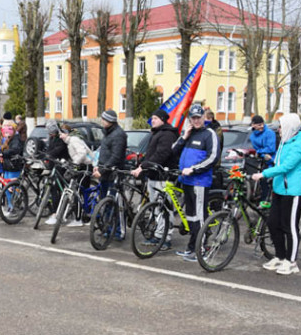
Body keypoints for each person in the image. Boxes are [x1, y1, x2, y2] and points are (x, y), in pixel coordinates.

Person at [252, 113, 301, 275]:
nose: (279, 130)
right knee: (273, 223)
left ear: (290, 128)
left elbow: (286, 166)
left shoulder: (299, 144)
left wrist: (264, 174)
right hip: (279, 189)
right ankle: (280, 256)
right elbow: (277, 162)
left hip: (293, 191)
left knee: (289, 226)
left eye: (282, 127)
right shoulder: (284, 142)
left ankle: (291, 262)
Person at [172, 104, 219, 262]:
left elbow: (213, 158)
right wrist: (184, 137)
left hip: (199, 181)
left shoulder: (209, 134)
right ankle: (192, 247)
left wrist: (193, 169)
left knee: (200, 217)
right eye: (193, 118)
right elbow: (173, 151)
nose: (196, 120)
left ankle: (201, 249)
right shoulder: (189, 133)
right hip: (186, 181)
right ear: (190, 119)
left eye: (199, 117)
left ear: (204, 117)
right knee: (191, 216)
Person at [131, 109, 178, 250]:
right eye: (152, 118)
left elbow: (161, 155)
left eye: (156, 118)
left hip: (163, 177)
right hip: (153, 176)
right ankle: (158, 235)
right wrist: (141, 165)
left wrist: (143, 166)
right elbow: (150, 154)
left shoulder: (168, 134)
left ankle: (166, 238)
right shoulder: (156, 133)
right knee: (156, 208)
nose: (153, 121)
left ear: (163, 119)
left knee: (165, 208)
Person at [93, 109, 127, 196]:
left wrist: (101, 171)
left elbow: (116, 157)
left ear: (110, 121)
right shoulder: (107, 133)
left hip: (113, 174)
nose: (102, 121)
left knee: (111, 200)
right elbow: (104, 152)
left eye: (104, 119)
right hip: (105, 173)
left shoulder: (118, 134)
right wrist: (98, 166)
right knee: (103, 199)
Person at [249, 114, 277, 203]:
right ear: (253, 125)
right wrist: (261, 153)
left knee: (268, 181)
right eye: (259, 125)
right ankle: (263, 200)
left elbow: (271, 148)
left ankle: (268, 200)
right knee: (263, 182)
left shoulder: (269, 133)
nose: (261, 127)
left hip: (272, 160)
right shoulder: (252, 136)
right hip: (262, 159)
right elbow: (256, 149)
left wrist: (260, 152)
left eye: (262, 125)